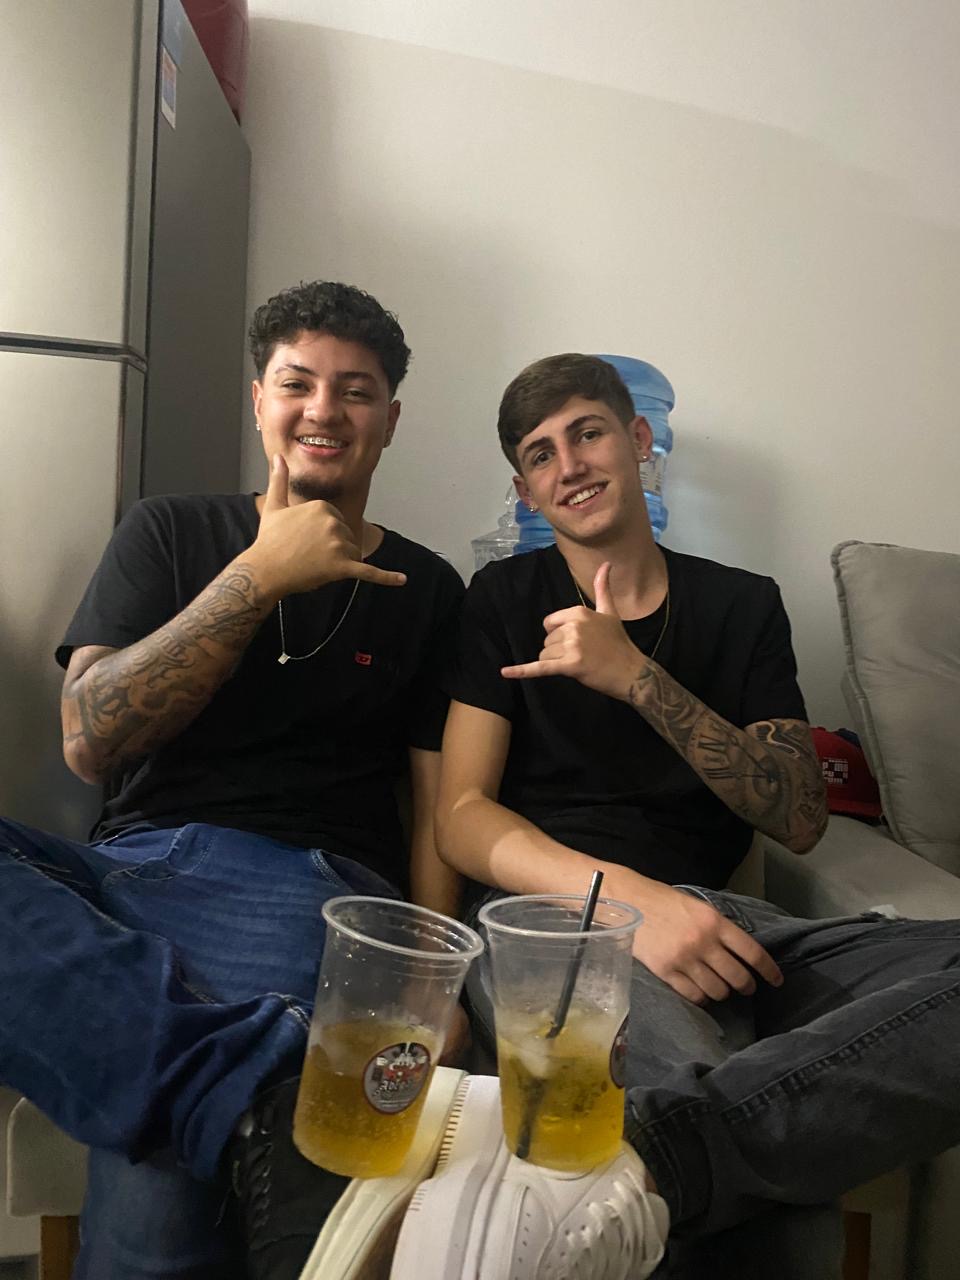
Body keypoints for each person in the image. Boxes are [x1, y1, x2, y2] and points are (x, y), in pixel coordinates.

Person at [384, 353, 960, 1279]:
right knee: (758, 1172)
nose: (569, 465)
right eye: (540, 454)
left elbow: (800, 815)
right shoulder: (502, 599)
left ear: (639, 439)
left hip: (724, 926)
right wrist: (632, 904)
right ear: (525, 491)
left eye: (588, 433)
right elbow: (460, 816)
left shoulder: (742, 604)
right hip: (552, 924)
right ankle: (709, 1146)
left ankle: (670, 1154)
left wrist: (638, 678)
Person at [0, 281, 464, 1280]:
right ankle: (237, 1088)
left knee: (157, 1204)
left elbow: (438, 802)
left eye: (356, 390)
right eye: (297, 383)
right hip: (127, 867)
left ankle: (207, 1089)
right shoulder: (169, 531)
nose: (323, 409)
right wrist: (257, 575)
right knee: (190, 1105)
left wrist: (428, 975)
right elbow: (90, 740)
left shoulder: (429, 589)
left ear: (390, 419)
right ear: (260, 401)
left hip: (299, 880)